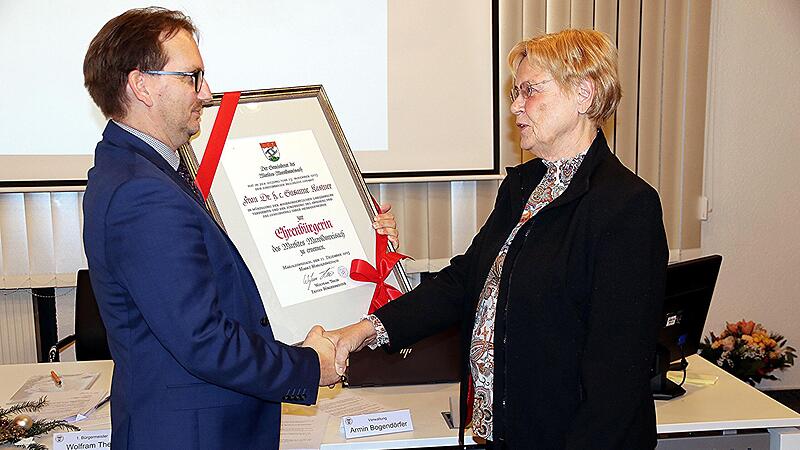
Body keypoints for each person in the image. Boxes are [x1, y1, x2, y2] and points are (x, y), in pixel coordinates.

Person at [327, 29, 668, 449]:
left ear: (584, 93)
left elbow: (617, 377)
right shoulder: (523, 188)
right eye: (514, 92)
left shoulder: (626, 206)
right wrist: (364, 330)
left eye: (529, 91)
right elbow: (464, 281)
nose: (515, 106)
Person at [81, 8, 396, 449]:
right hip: (189, 436)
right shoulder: (142, 193)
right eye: (192, 77)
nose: (206, 93)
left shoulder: (147, 173)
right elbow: (204, 340)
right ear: (141, 85)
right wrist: (309, 367)